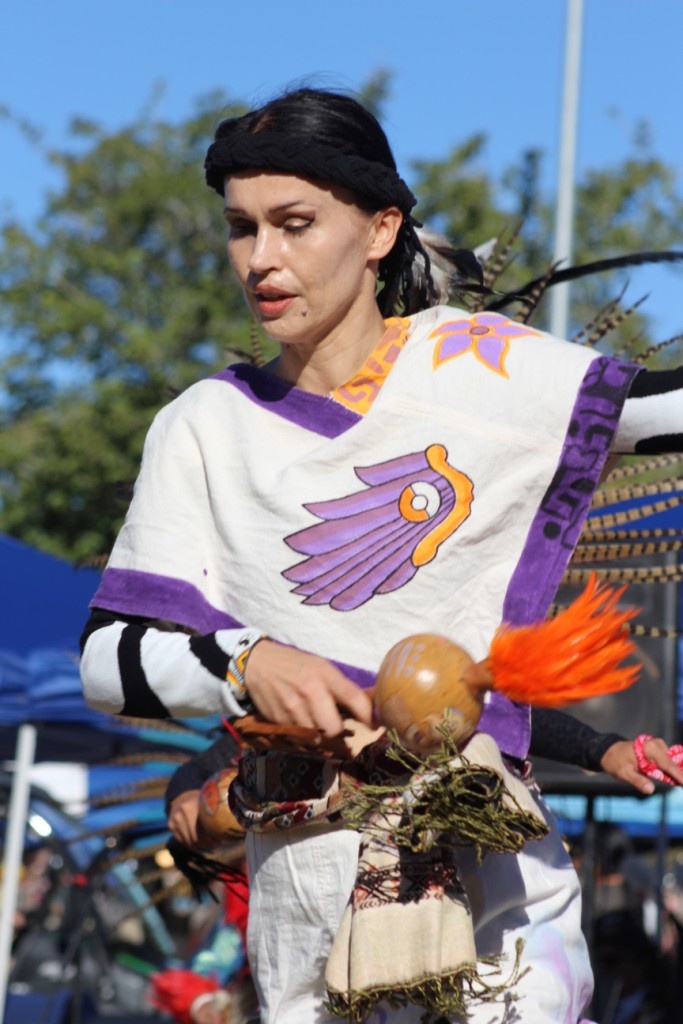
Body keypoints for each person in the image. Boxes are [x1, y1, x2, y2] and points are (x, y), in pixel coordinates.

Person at [80, 87, 683, 1024]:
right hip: (310, 892)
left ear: (378, 230)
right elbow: (110, 657)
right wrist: (249, 662)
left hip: (495, 874)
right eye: (242, 229)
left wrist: (603, 748)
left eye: (294, 224)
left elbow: (660, 408)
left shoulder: (475, 365)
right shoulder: (203, 426)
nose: (262, 259)